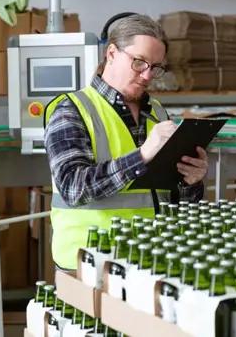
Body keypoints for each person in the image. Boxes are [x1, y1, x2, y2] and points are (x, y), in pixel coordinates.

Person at [43, 14, 208, 272]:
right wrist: (141, 156)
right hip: (90, 264)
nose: (147, 75)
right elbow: (72, 187)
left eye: (155, 67)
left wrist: (192, 182)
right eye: (139, 62)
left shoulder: (158, 113)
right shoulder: (71, 110)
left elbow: (174, 200)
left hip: (150, 263)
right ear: (111, 53)